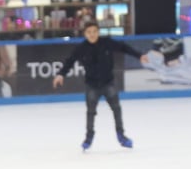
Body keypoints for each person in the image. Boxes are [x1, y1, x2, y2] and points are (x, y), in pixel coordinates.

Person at [52, 22, 148, 151]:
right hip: (92, 85)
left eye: (94, 31)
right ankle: (89, 137)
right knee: (91, 112)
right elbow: (70, 61)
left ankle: (121, 136)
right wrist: (61, 74)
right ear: (85, 34)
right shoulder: (81, 48)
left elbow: (124, 48)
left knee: (116, 110)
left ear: (98, 32)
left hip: (108, 83)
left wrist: (139, 55)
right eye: (89, 32)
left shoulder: (107, 43)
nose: (92, 34)